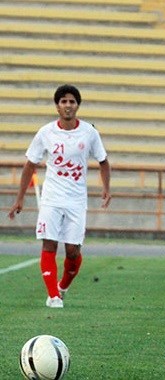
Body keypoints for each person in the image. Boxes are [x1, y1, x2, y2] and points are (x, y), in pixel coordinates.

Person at [8, 84, 111, 309]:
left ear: (77, 106)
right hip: (52, 198)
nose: (67, 105)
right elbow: (29, 165)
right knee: (49, 244)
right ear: (57, 106)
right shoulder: (46, 133)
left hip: (76, 200)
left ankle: (62, 287)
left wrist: (106, 189)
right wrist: (20, 198)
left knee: (73, 250)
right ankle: (53, 295)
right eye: (63, 101)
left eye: (72, 101)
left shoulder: (89, 132)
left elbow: (103, 162)